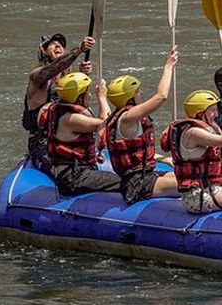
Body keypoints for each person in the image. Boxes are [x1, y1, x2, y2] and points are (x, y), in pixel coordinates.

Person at [102, 46, 180, 204]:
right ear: (129, 97)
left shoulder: (122, 116)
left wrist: (163, 159)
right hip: (136, 184)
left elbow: (137, 153)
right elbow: (161, 96)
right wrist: (168, 66)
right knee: (193, 184)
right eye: (137, 91)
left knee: (191, 176)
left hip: (145, 175)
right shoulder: (127, 118)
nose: (141, 93)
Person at [160, 90, 222, 213]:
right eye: (212, 110)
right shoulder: (192, 133)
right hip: (199, 197)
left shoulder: (208, 129)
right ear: (200, 113)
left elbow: (217, 163)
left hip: (212, 189)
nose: (216, 114)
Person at [37, 72, 121, 196]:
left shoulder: (59, 110)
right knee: (124, 182)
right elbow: (106, 122)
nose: (89, 95)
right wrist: (102, 97)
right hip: (73, 177)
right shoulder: (71, 119)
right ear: (78, 97)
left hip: (78, 172)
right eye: (87, 93)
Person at [23, 33, 94, 175]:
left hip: (65, 138)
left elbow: (79, 105)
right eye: (53, 44)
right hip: (42, 142)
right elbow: (55, 67)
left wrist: (82, 75)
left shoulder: (66, 83)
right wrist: (79, 50)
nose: (58, 46)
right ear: (44, 51)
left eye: (61, 45)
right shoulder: (37, 76)